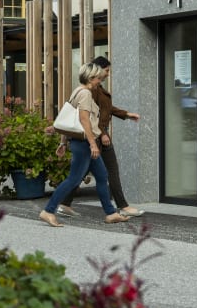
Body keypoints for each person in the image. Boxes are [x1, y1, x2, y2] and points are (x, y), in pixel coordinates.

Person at [39, 63, 130, 227]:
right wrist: (93, 144)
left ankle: (110, 213)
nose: (99, 81)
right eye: (98, 78)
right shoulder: (85, 94)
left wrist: (63, 142)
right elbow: (83, 120)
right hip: (84, 145)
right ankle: (48, 211)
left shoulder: (77, 91)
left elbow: (69, 121)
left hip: (83, 143)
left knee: (102, 176)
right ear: (90, 78)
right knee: (73, 180)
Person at [57, 56, 145, 218]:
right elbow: (89, 116)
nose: (108, 74)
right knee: (111, 171)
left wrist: (126, 114)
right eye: (106, 70)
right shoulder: (91, 90)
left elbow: (107, 109)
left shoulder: (97, 89)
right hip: (97, 137)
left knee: (82, 173)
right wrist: (103, 134)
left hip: (96, 136)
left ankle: (63, 204)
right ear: (97, 70)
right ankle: (121, 207)